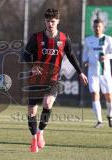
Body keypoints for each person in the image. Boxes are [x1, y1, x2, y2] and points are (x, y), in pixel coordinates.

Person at [23, 8, 88, 153]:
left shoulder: (64, 38)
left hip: (53, 78)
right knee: (32, 112)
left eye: (52, 21)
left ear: (58, 21)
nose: (50, 24)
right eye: (47, 21)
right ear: (44, 21)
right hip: (36, 79)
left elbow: (71, 55)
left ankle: (40, 132)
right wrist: (33, 65)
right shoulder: (36, 37)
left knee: (47, 102)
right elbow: (26, 55)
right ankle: (34, 139)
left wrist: (80, 72)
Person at [83, 19, 112, 128]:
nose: (97, 28)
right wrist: (85, 61)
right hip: (92, 72)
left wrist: (107, 56)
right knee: (94, 94)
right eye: (95, 26)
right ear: (92, 27)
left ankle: (110, 115)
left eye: (99, 26)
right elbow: (85, 54)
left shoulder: (108, 39)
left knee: (109, 97)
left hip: (105, 73)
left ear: (102, 27)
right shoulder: (88, 40)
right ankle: (99, 121)